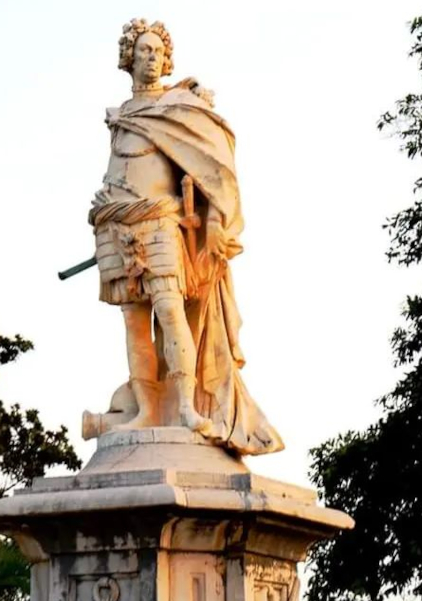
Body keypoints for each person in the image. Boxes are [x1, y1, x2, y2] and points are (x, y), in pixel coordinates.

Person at [85, 19, 282, 456]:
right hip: (115, 225)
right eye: (144, 51)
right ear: (128, 58)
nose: (152, 58)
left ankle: (186, 406)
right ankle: (145, 409)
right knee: (134, 321)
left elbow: (212, 161)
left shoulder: (177, 108)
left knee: (171, 313)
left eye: (158, 51)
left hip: (161, 223)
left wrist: (213, 221)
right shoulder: (120, 115)